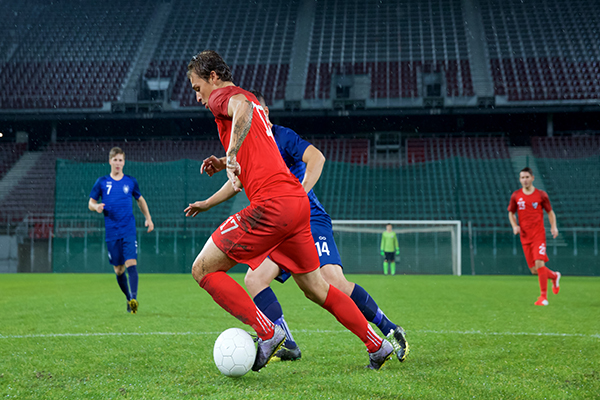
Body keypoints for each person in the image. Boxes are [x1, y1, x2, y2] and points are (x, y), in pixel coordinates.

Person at [183, 50, 393, 372]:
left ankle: (269, 332)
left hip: (271, 206)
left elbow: (238, 110)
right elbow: (251, 150)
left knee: (203, 269)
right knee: (318, 288)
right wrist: (225, 163)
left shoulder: (223, 97)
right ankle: (377, 344)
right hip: (297, 204)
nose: (198, 97)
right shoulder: (257, 107)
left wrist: (232, 153)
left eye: (197, 88)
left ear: (213, 77)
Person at [88, 147, 154, 314]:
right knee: (118, 270)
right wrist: (96, 207)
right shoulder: (102, 182)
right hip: (111, 231)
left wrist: (148, 218)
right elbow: (90, 202)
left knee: (131, 263)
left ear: (124, 162)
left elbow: (140, 200)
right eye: (115, 160)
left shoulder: (130, 181)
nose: (118, 163)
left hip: (128, 229)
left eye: (121, 160)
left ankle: (134, 299)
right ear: (110, 161)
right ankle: (128, 298)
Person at [508, 167, 560, 306]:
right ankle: (554, 276)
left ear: (532, 178)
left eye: (526, 177)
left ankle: (543, 297)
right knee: (534, 270)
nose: (524, 180)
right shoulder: (516, 196)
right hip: (525, 237)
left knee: (539, 263)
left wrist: (554, 227)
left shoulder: (541, 195)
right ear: (519, 180)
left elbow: (550, 212)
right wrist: (514, 226)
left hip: (538, 235)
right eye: (522, 178)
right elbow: (511, 213)